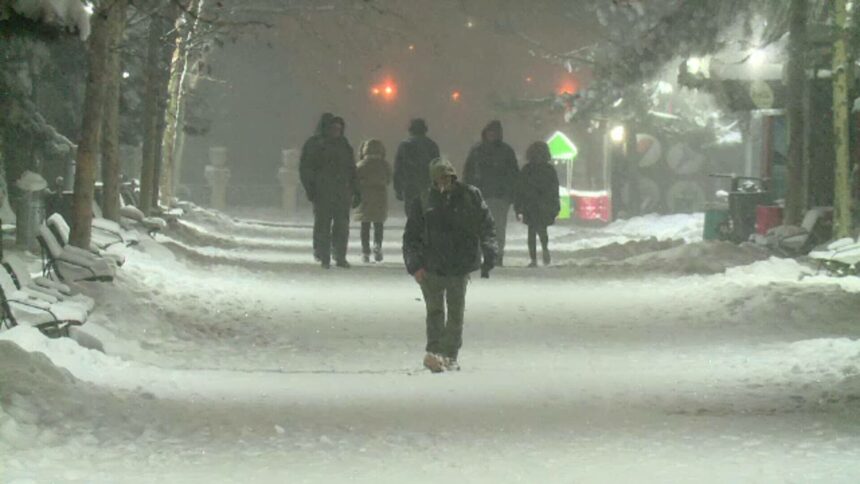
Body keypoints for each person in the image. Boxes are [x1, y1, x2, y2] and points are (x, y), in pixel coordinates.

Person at [403, 157, 497, 373]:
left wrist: (489, 251)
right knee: (434, 311)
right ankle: (435, 352)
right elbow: (411, 236)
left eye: (447, 177)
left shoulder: (470, 196)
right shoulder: (425, 200)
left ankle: (450, 354)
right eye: (440, 178)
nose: (444, 182)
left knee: (455, 312)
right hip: (432, 265)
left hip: (459, 264)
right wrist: (415, 265)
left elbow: (486, 224)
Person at [299, 115, 358, 269]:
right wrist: (310, 188)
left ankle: (340, 255)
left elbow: (351, 169)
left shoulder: (344, 145)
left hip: (342, 192)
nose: (336, 132)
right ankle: (323, 254)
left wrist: (356, 189)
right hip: (322, 191)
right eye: (333, 128)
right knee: (323, 224)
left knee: (342, 225)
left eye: (339, 129)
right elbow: (306, 169)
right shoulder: (315, 144)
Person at [463, 120, 518, 266]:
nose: (492, 135)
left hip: (499, 196)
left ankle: (497, 255)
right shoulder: (478, 151)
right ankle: (479, 255)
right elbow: (468, 173)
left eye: (495, 132)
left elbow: (513, 175)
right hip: (481, 195)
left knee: (497, 228)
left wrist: (510, 194)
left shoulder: (502, 151)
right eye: (490, 132)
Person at [515, 141, 560, 267]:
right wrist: (555, 206)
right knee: (540, 230)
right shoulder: (549, 170)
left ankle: (535, 257)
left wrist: (518, 207)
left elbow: (520, 189)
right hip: (541, 204)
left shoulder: (527, 169)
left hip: (531, 204)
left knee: (533, 231)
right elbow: (554, 189)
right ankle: (541, 252)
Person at [300, 113, 334, 262]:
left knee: (322, 221)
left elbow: (305, 168)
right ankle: (326, 249)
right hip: (331, 187)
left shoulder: (312, 143)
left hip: (320, 187)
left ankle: (320, 249)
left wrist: (309, 187)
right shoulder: (337, 143)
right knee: (331, 221)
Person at [354, 139, 391, 263]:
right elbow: (389, 178)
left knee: (365, 225)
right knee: (378, 223)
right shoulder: (384, 164)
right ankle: (377, 245)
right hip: (380, 196)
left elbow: (354, 179)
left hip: (365, 197)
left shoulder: (361, 164)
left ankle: (365, 251)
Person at [393, 118, 440, 216]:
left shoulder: (405, 145)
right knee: (426, 214)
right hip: (427, 184)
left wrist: (397, 188)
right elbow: (438, 167)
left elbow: (398, 168)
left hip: (410, 184)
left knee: (411, 214)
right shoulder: (432, 145)